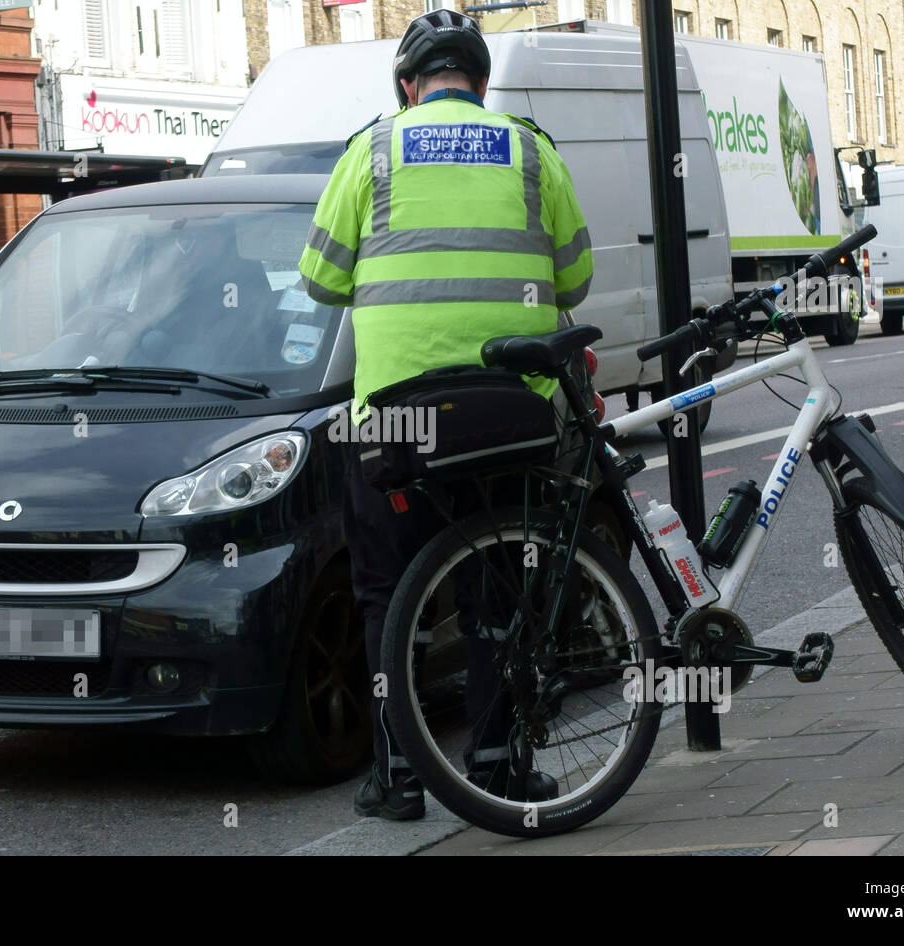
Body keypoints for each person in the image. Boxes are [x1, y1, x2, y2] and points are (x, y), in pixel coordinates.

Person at [298, 10, 594, 821]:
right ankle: (497, 764)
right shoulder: (532, 151)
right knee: (498, 591)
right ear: (482, 83)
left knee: (387, 595)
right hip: (506, 416)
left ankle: (397, 775)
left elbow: (321, 280)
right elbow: (578, 279)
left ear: (407, 86)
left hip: (395, 422)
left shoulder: (372, 151)